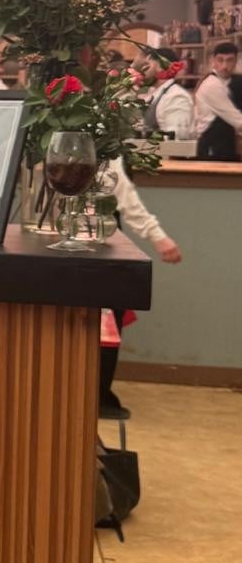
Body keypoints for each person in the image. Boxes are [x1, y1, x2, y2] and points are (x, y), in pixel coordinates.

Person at [97, 157, 182, 416]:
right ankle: (98, 394)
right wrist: (159, 237)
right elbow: (125, 198)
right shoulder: (103, 141)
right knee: (106, 319)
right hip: (100, 240)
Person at [194, 42, 242, 160]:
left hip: (221, 144)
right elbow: (237, 120)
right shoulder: (212, 85)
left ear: (236, 62)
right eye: (220, 60)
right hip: (212, 147)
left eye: (230, 60)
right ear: (213, 61)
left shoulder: (223, 81)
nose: (225, 66)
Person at [134, 49, 195, 140]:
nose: (142, 71)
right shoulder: (150, 93)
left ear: (160, 66)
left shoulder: (176, 97)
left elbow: (176, 138)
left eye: (147, 65)